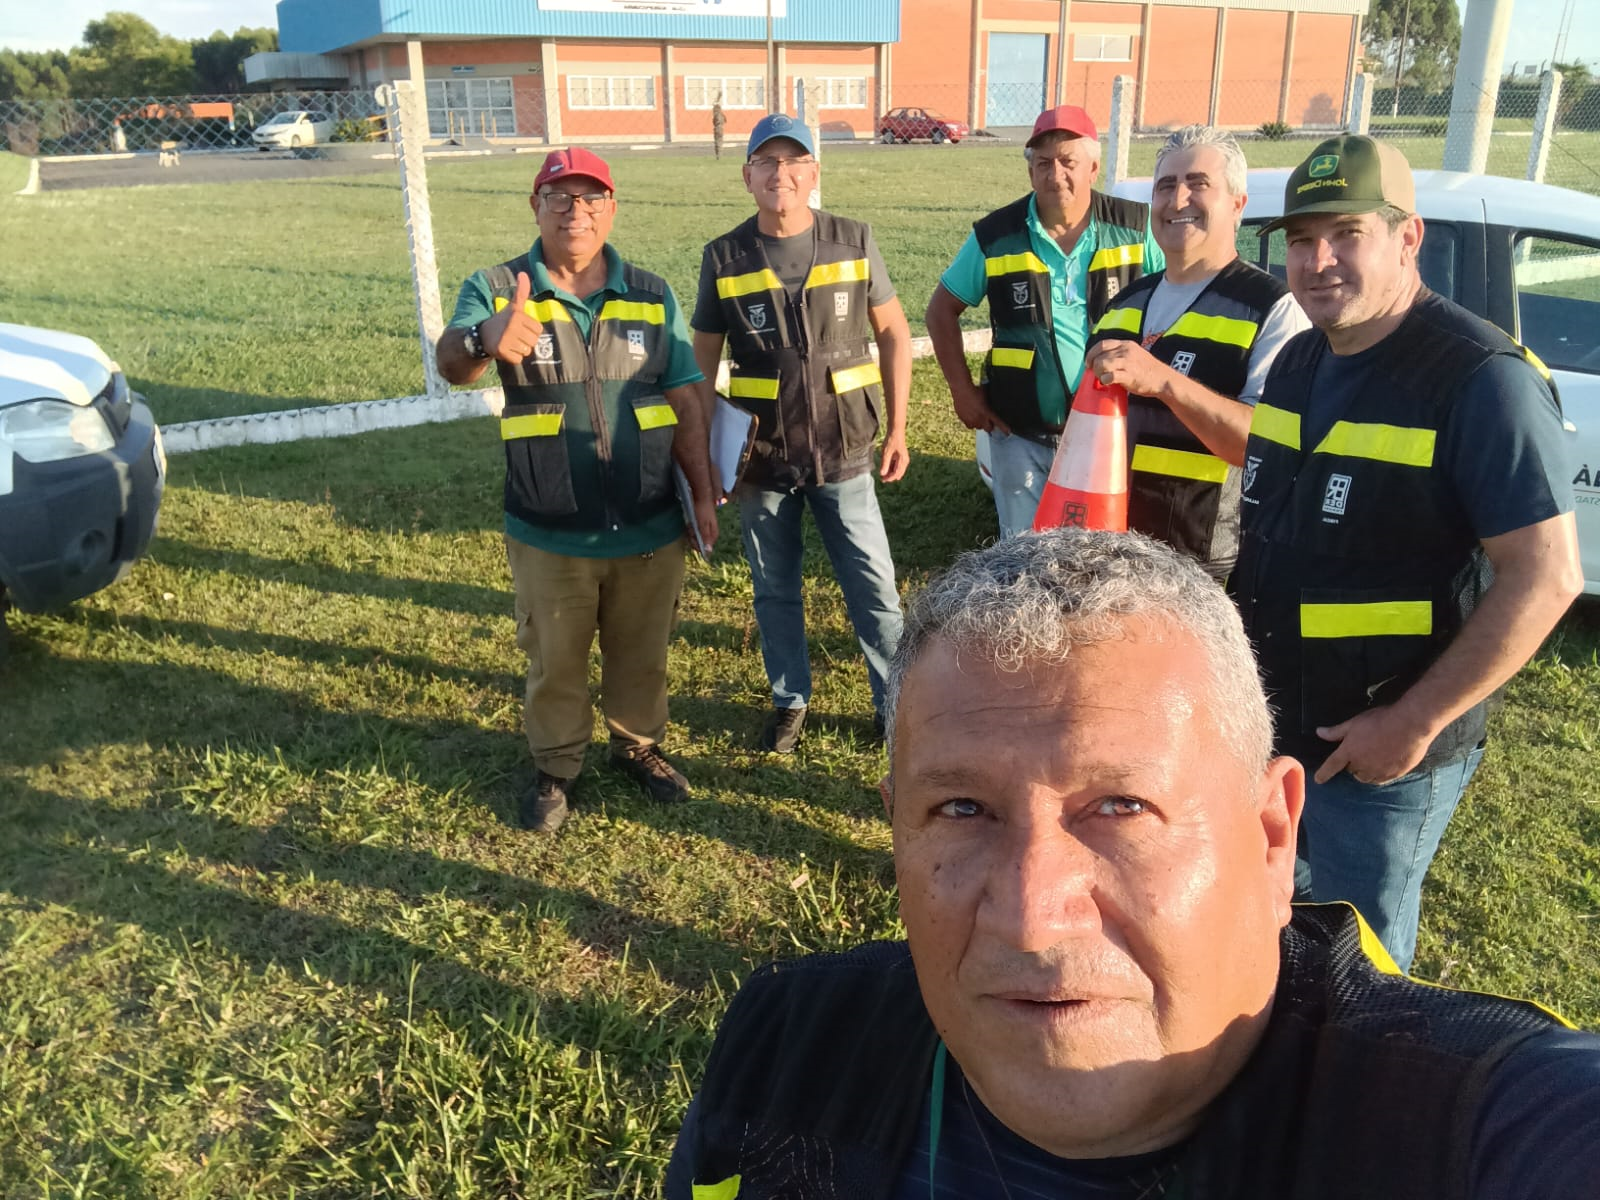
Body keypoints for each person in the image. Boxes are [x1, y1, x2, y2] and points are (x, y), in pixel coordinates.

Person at [666, 529, 1600, 1199]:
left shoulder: (1471, 1122)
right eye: (961, 809)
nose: (1032, 917)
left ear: (1273, 835)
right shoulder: (786, 1043)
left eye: (1120, 807)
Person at [1233, 134, 1583, 971]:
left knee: (1363, 959)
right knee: (1279, 921)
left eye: (1345, 235)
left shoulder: (1478, 378)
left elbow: (1547, 575)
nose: (1318, 262)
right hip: (1278, 723)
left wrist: (1412, 722)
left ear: (1407, 237)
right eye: (1300, 240)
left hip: (1381, 749)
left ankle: (1358, 1088)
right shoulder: (1298, 361)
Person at [436, 147, 718, 833]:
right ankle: (557, 766)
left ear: (611, 210)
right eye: (559, 197)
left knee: (643, 651)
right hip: (550, 525)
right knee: (555, 658)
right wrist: (484, 336)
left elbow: (685, 396)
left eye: (591, 197)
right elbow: (451, 364)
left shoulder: (652, 294)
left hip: (650, 521)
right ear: (535, 207)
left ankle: (639, 745)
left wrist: (703, 492)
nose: (576, 210)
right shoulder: (498, 287)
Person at [692, 112, 912, 753]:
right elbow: (701, 366)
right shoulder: (724, 256)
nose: (780, 174)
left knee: (873, 586)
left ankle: (893, 702)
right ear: (747, 176)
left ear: (813, 173)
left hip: (845, 448)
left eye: (793, 162)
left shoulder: (853, 239)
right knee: (774, 587)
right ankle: (790, 700)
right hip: (761, 457)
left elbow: (894, 333)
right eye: (766, 162)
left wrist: (898, 427)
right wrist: (710, 455)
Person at [926, 104, 1163, 537]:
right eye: (1043, 163)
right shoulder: (996, 236)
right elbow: (941, 310)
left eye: (1068, 161)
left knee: (1104, 557)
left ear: (1093, 167)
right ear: (1030, 172)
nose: (1056, 174)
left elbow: (1177, 297)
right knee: (1024, 557)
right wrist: (962, 392)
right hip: (1021, 433)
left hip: (1112, 433)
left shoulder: (1136, 229)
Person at [1082, 124, 1309, 578]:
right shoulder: (1122, 305)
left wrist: (1165, 382)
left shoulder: (1272, 308)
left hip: (1210, 569)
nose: (1178, 199)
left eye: (1198, 184)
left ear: (1237, 205)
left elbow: (1267, 448)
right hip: (1111, 555)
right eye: (1166, 186)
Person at [711, 96, 726, 160]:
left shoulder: (717, 115)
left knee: (717, 142)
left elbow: (715, 121)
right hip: (721, 128)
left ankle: (718, 155)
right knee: (720, 141)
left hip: (717, 128)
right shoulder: (722, 115)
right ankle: (719, 155)